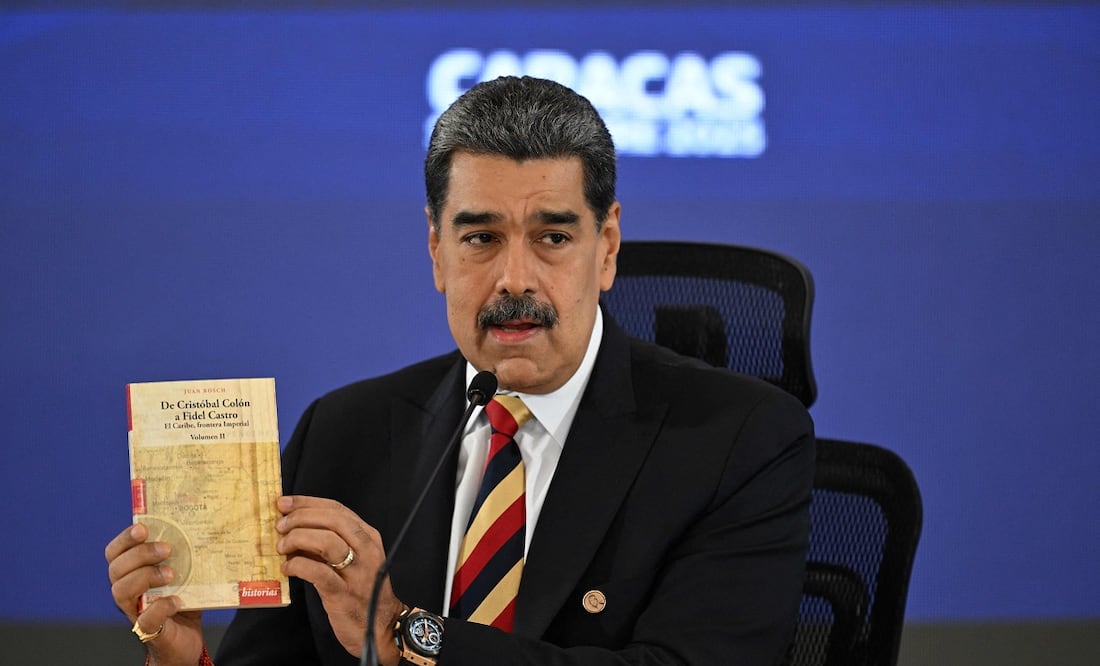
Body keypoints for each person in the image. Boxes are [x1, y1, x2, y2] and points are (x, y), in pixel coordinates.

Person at [106, 75, 815, 666]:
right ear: (436, 251)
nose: (515, 279)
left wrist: (405, 633)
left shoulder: (740, 440)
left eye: (553, 238)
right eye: (480, 237)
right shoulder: (343, 432)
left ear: (606, 248)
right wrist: (178, 656)